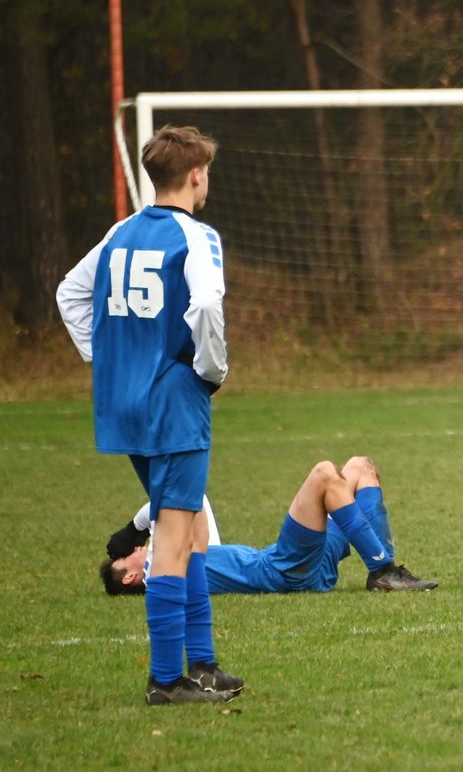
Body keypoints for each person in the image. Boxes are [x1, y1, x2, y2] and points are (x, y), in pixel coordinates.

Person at [57, 125, 243, 705]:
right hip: (173, 401)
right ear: (196, 175)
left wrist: (108, 361)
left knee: (191, 529)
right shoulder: (197, 235)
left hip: (126, 404)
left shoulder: (120, 232)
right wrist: (211, 371)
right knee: (175, 535)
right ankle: (166, 679)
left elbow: (69, 294)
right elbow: (207, 303)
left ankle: (203, 664)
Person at [102, 456, 438, 596]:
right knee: (324, 473)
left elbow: (197, 502)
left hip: (307, 566)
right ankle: (383, 570)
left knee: (359, 467)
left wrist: (135, 532)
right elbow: (176, 501)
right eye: (128, 556)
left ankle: (384, 573)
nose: (136, 547)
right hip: (283, 569)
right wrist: (133, 528)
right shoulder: (165, 571)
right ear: (131, 576)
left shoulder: (194, 554)